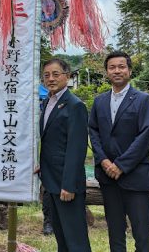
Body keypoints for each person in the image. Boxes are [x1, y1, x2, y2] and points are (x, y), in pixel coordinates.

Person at [89, 51, 149, 252]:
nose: (117, 70)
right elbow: (93, 131)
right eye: (112, 67)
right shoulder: (99, 101)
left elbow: (146, 135)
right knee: (115, 230)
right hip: (108, 178)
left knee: (141, 232)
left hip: (136, 176)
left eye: (121, 66)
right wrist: (103, 160)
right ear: (106, 72)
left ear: (130, 70)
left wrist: (121, 165)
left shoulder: (143, 100)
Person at [39, 58, 91, 252]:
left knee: (75, 238)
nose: (51, 79)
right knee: (61, 236)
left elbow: (76, 149)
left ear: (67, 77)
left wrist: (68, 185)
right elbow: (52, 142)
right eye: (46, 75)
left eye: (55, 74)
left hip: (66, 184)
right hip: (51, 180)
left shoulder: (74, 105)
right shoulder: (48, 102)